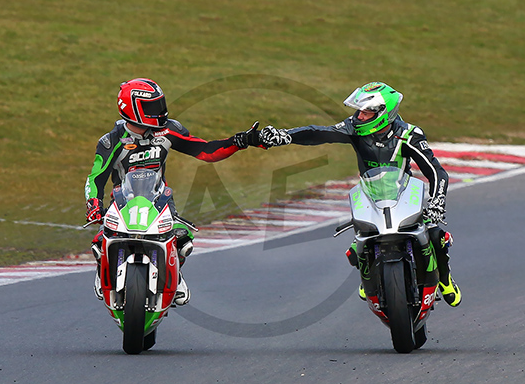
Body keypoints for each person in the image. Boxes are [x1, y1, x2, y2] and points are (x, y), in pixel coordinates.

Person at [258, 81, 461, 306]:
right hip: (370, 194)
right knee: (355, 251)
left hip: (403, 192)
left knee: (435, 233)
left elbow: (437, 172)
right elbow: (318, 133)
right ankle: (370, 278)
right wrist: (285, 136)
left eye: (366, 112)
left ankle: (444, 279)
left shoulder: (409, 134)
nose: (359, 117)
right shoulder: (353, 128)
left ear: (383, 114)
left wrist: (437, 202)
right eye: (359, 111)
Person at [85, 78, 262, 305]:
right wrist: (94, 205)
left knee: (182, 238)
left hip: (159, 199)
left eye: (160, 104)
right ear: (132, 108)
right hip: (122, 201)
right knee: (100, 240)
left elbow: (206, 151)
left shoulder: (169, 131)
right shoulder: (111, 141)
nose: (160, 112)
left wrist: (239, 141)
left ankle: (175, 275)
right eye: (152, 107)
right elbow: (95, 178)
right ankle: (103, 270)